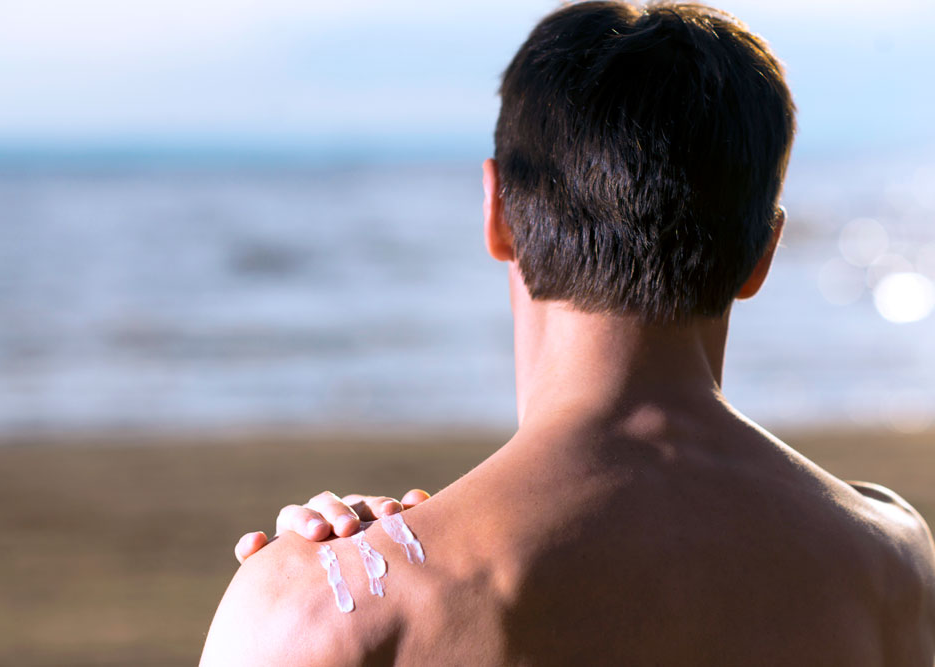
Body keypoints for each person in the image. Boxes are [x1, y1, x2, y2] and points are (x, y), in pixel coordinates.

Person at [200, 2, 935, 664]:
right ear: (761, 253)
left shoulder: (331, 605)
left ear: (496, 213)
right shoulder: (891, 564)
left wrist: (309, 582)